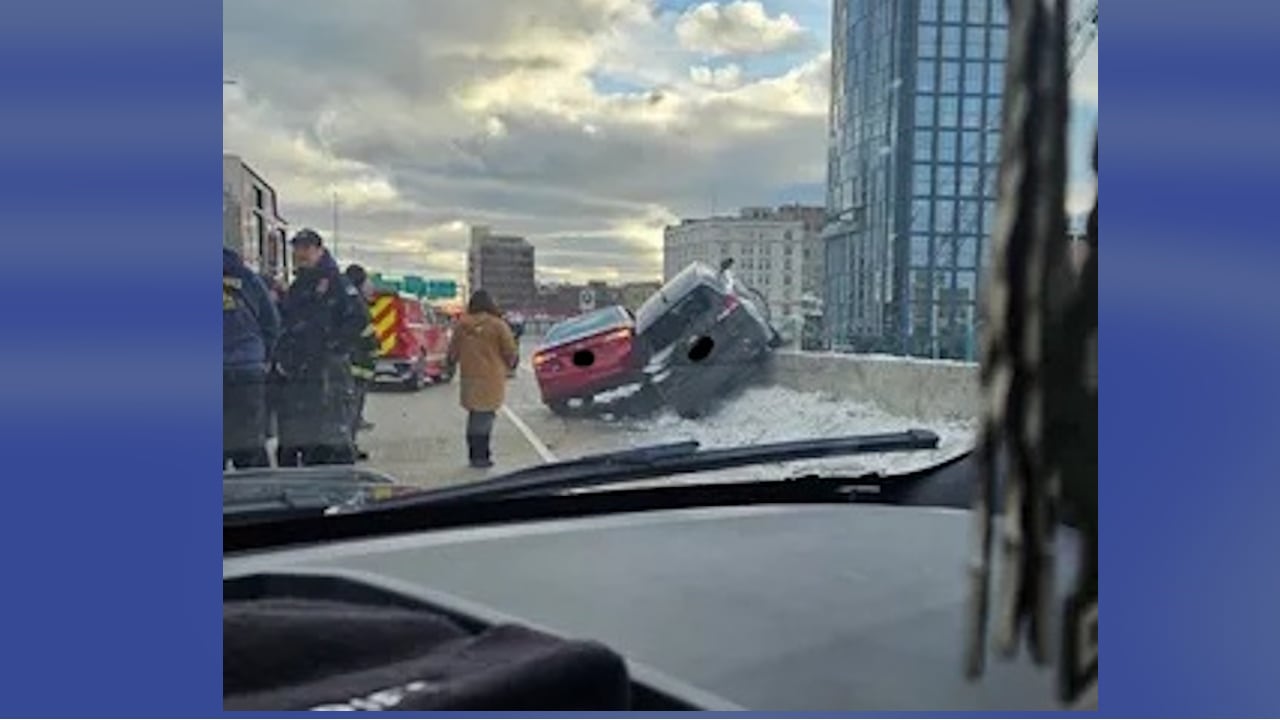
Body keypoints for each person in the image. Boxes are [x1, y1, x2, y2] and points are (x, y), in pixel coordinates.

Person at [274, 229, 367, 466]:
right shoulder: (299, 286)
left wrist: (333, 347)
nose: (301, 253)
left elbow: (358, 318)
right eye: (297, 248)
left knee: (331, 437)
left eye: (307, 248)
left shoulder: (335, 282)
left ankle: (336, 491)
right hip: (300, 374)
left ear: (320, 250)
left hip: (328, 375)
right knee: (299, 436)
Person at [448, 289, 519, 468]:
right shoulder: (498, 325)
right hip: (491, 378)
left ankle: (473, 453)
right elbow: (510, 350)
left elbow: (452, 351)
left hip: (469, 377)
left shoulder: (462, 325)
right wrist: (511, 365)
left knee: (474, 416)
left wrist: (450, 365)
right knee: (485, 417)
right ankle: (482, 455)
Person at [223, 247, 280, 469]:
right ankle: (258, 493)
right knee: (249, 439)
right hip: (248, 370)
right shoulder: (248, 278)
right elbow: (272, 322)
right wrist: (264, 357)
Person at [343, 263, 379, 461]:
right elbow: (365, 332)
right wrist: (374, 349)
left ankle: (350, 445)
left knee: (352, 410)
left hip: (355, 365)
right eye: (367, 281)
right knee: (351, 410)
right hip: (356, 365)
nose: (370, 286)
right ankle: (347, 447)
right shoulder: (355, 303)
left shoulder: (349, 299)